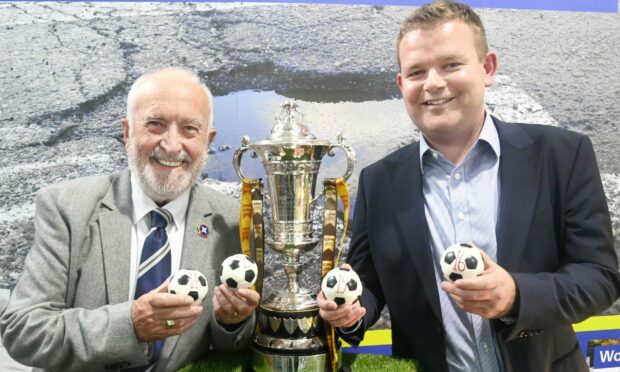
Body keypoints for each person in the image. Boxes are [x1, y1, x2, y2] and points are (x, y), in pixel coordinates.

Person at [318, 1, 620, 371]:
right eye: (416, 72)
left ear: (487, 68)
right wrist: (349, 310)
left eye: (451, 65)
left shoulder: (561, 155)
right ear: (401, 85)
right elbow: (370, 286)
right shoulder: (379, 181)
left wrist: (516, 295)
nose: (433, 83)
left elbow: (599, 277)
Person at [0, 67, 260, 372]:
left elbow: (231, 345)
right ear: (127, 132)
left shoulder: (228, 220)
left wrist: (232, 321)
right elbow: (23, 330)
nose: (172, 145)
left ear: (208, 140)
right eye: (155, 124)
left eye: (190, 128)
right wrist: (131, 325)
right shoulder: (66, 208)